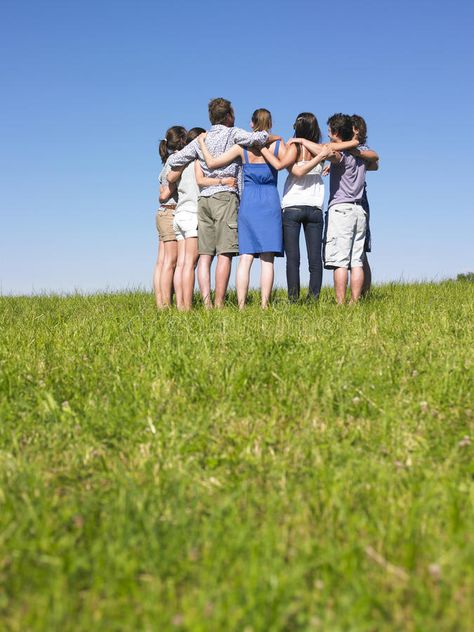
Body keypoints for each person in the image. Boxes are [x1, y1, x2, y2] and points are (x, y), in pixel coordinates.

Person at [167, 98, 278, 308]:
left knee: (206, 254)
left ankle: (206, 304)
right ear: (228, 116)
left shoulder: (203, 139)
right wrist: (275, 137)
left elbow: (174, 160)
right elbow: (260, 136)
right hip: (225, 195)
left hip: (204, 199)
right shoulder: (233, 133)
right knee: (225, 253)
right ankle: (219, 304)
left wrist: (199, 149)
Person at [198, 108, 285, 309]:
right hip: (270, 201)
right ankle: (264, 305)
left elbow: (212, 163)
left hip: (249, 202)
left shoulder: (241, 148)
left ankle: (241, 305)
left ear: (252, 124)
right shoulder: (277, 145)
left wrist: (202, 143)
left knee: (245, 257)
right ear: (270, 124)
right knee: (267, 258)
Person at [261, 112, 329, 302]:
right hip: (314, 206)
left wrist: (298, 141)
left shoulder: (293, 147)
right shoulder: (321, 149)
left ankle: (293, 299)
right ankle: (313, 299)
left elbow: (295, 169)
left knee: (294, 259)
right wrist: (319, 157)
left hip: (292, 206)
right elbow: (299, 170)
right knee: (315, 259)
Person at [167, 127, 237, 310]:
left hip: (179, 213)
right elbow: (201, 180)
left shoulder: (183, 162)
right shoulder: (198, 160)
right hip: (192, 213)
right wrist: (223, 181)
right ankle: (188, 307)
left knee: (182, 263)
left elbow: (169, 176)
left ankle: (181, 305)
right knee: (190, 264)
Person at [156, 125, 187, 308]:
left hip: (162, 213)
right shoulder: (176, 160)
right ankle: (166, 304)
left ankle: (161, 304)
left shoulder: (166, 160)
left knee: (162, 262)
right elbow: (165, 192)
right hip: (170, 210)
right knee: (171, 261)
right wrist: (170, 189)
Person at [351, 114, 379, 295]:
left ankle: (365, 293)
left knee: (361, 250)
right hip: (347, 200)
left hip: (360, 199)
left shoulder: (361, 148)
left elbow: (375, 161)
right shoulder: (343, 148)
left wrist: (358, 155)